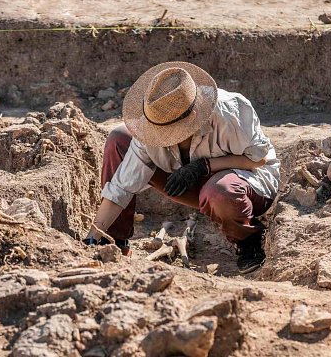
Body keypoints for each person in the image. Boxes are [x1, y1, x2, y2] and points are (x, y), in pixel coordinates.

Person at [84, 61, 280, 274]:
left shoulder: (230, 112)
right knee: (120, 138)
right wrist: (93, 235)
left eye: (171, 132)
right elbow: (121, 186)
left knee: (220, 191)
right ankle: (113, 242)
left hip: (246, 183)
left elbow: (258, 159)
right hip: (191, 184)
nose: (162, 138)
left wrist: (204, 166)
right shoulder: (153, 123)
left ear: (193, 117)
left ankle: (247, 239)